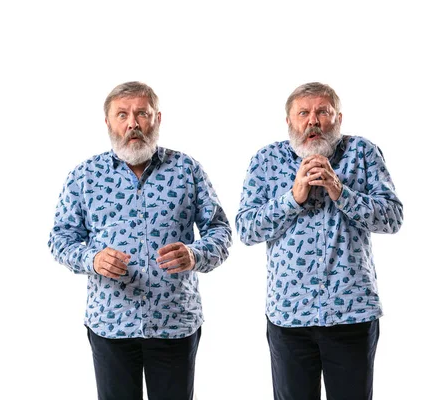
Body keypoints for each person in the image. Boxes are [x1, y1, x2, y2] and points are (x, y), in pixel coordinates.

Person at [48, 81, 231, 400]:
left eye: (141, 114)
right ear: (108, 123)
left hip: (175, 322)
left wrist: (195, 254)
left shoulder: (187, 170)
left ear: (157, 119)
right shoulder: (85, 176)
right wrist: (92, 259)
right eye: (122, 114)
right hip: (110, 323)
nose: (132, 123)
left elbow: (220, 232)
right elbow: (61, 239)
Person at [236, 82, 403, 400]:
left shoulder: (362, 153)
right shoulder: (266, 160)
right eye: (303, 113)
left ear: (338, 118)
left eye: (322, 112)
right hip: (289, 315)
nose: (312, 121)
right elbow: (246, 229)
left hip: (351, 312)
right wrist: (292, 198)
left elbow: (393, 218)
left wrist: (340, 191)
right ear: (289, 122)